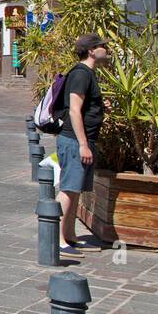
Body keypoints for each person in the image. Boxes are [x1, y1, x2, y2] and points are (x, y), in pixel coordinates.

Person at [55, 33, 109, 253]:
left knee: (75, 189)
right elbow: (75, 110)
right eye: (103, 46)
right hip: (74, 140)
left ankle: (69, 235)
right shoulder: (81, 74)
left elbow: (84, 107)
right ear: (91, 50)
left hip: (80, 140)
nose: (107, 48)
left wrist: (100, 106)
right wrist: (83, 144)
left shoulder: (87, 73)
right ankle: (56, 238)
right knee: (68, 188)